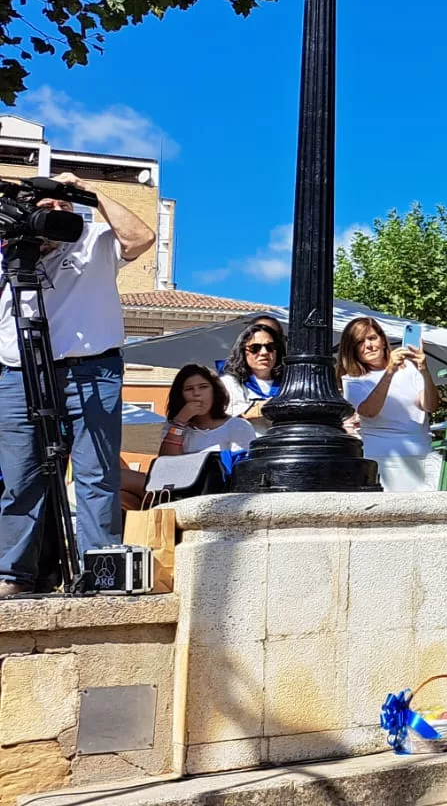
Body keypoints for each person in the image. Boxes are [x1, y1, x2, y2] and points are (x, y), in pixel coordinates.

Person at [0, 173, 155, 596]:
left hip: (92, 370)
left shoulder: (95, 240)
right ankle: (12, 575)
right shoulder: (8, 248)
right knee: (21, 477)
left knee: (96, 473)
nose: (55, 215)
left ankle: (100, 570)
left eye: (63, 207)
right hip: (18, 372)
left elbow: (142, 236)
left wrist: (88, 191)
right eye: (44, 208)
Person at [337, 317, 442, 492]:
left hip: (421, 452)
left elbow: (431, 406)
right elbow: (369, 411)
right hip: (383, 457)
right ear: (352, 350)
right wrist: (390, 371)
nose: (369, 345)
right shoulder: (352, 379)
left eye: (372, 338)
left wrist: (424, 370)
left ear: (382, 340)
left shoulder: (410, 368)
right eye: (360, 342)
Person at [156, 364, 258, 457]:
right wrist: (179, 423)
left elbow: (245, 465)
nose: (196, 393)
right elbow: (167, 464)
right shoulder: (172, 429)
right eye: (189, 389)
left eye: (203, 387)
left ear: (215, 391)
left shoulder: (238, 426)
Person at [218, 318, 283, 433]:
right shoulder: (229, 383)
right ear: (243, 351)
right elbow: (225, 419)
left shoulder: (290, 382)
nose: (264, 352)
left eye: (270, 347)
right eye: (255, 348)